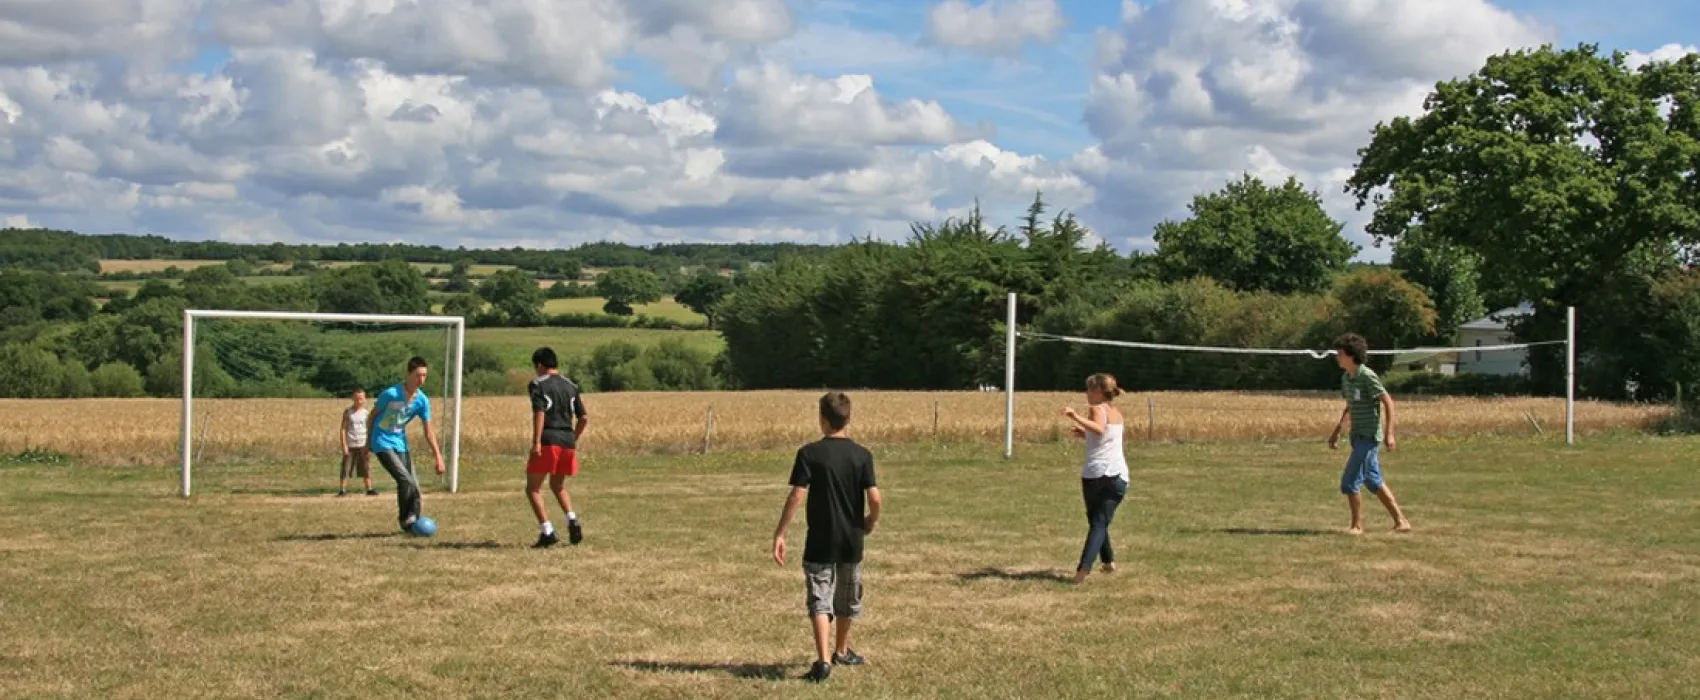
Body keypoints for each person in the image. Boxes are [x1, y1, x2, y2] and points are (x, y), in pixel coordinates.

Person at [771, 392, 882, 684]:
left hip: (820, 539)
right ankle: (841, 650)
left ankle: (823, 661)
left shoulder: (809, 453)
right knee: (848, 596)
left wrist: (781, 532)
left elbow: (797, 495)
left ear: (822, 419)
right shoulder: (862, 455)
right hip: (852, 539)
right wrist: (871, 520)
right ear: (849, 419)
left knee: (820, 598)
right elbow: (874, 497)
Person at [1327, 333, 1413, 535]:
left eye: (1340, 353)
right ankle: (1401, 521)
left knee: (1349, 482)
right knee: (1372, 480)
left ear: (1351, 355)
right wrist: (1337, 430)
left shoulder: (1367, 376)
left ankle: (1356, 526)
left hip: (1369, 437)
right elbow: (1350, 405)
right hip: (1357, 437)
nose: (1337, 357)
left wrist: (1389, 434)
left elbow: (1388, 401)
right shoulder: (1346, 378)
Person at [1061, 373, 1129, 585]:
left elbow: (1099, 429)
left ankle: (1083, 569)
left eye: (1089, 389)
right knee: (1098, 521)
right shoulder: (1116, 412)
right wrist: (1085, 433)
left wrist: (1074, 416)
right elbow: (1105, 436)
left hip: (1098, 475)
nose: (1087, 394)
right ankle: (1108, 562)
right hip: (1118, 476)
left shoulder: (1096, 409)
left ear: (1098, 391)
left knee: (1098, 522)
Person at [367, 356, 445, 533]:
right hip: (381, 442)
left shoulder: (422, 401)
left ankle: (415, 521)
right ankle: (405, 520)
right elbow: (372, 415)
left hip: (400, 444)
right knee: (405, 480)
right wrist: (367, 441)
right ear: (408, 374)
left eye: (424, 376)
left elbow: (429, 431)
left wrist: (438, 457)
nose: (421, 380)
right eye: (417, 375)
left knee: (414, 485)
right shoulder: (391, 394)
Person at [525, 347, 589, 548]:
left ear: (539, 365)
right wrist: (573, 438)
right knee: (557, 485)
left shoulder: (538, 384)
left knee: (533, 488)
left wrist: (536, 442)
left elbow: (540, 412)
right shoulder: (571, 385)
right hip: (568, 441)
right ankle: (572, 520)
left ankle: (548, 531)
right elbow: (583, 417)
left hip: (549, 439)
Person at [337, 388, 376, 497]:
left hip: (362, 444)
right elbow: (343, 428)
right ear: (353, 399)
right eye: (357, 399)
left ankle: (369, 488)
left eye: (361, 399)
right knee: (346, 467)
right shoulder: (348, 412)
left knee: (366, 467)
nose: (359, 401)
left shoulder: (366, 413)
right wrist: (344, 445)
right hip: (350, 444)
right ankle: (342, 489)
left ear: (364, 399)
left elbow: (369, 428)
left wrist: (369, 443)